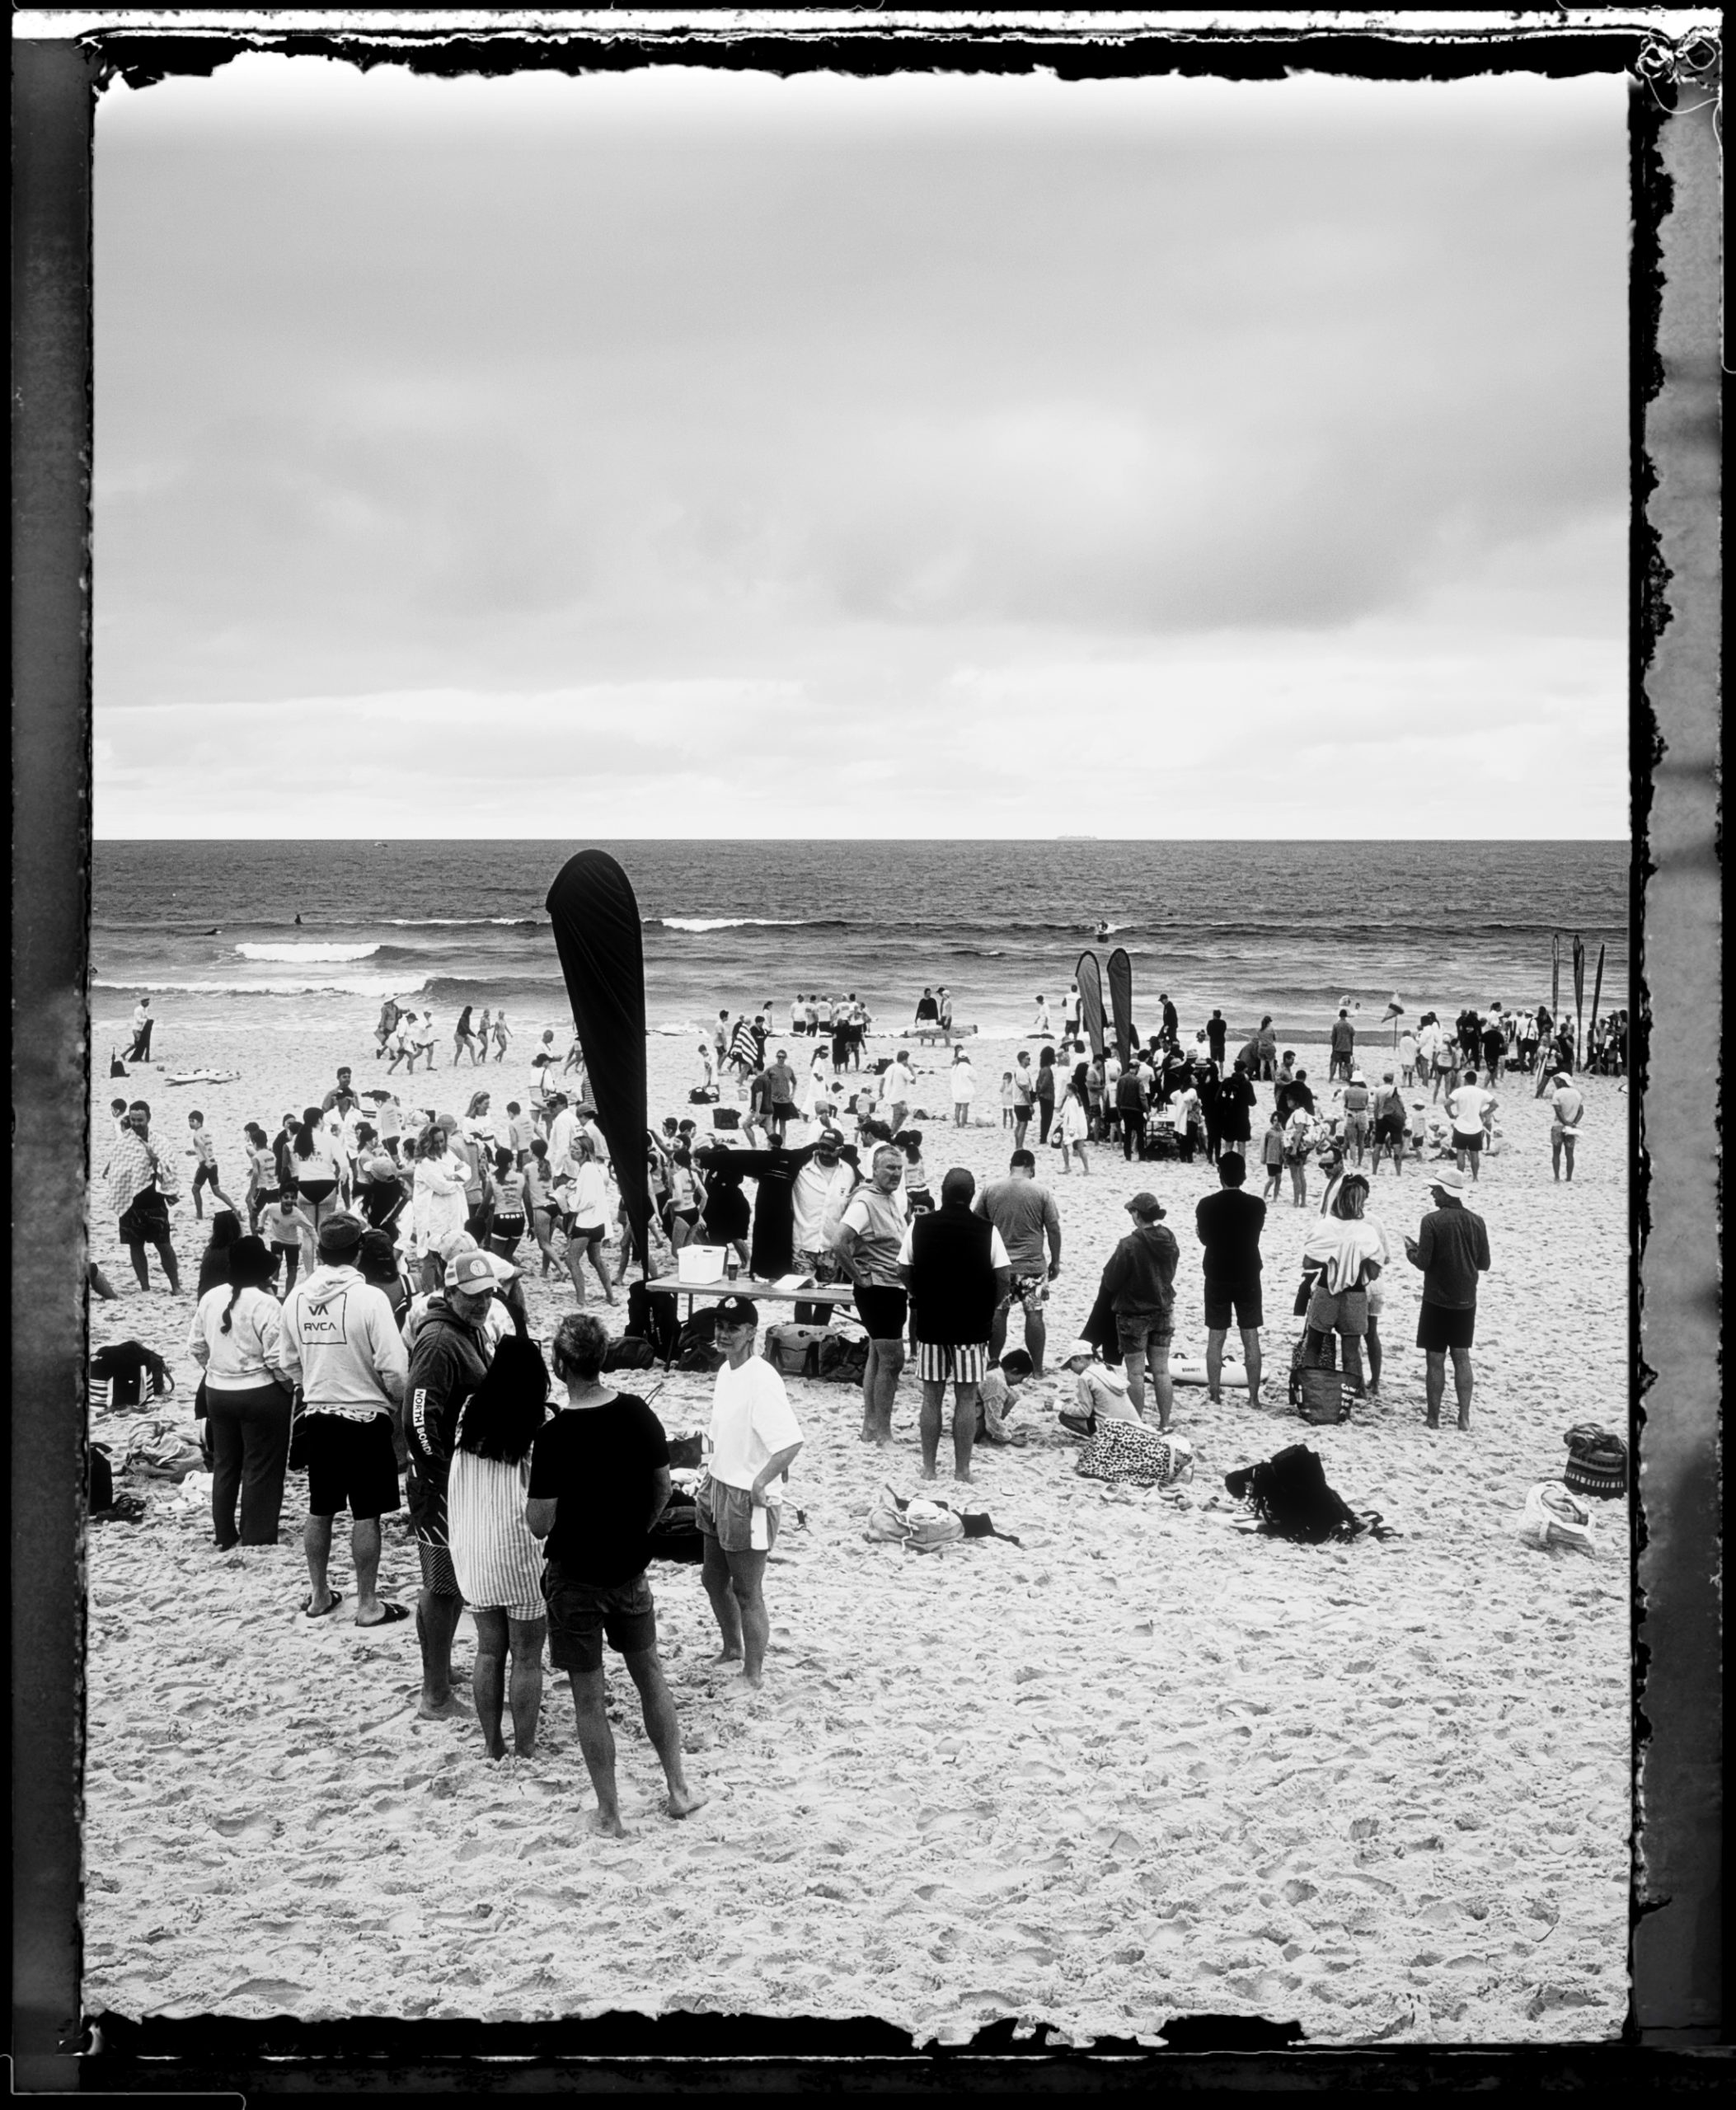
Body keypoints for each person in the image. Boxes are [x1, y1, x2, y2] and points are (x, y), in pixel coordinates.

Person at [525, 1312, 706, 1831]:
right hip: (628, 1568)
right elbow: (662, 1488)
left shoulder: (554, 1435)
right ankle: (677, 1788)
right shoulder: (636, 1413)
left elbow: (539, 1524)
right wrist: (637, 1532)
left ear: (560, 1365)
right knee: (650, 1677)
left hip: (575, 1575)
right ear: (602, 1358)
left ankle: (609, 1812)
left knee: (589, 1698)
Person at [278, 1212, 411, 1626]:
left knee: (320, 1508)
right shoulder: (369, 1298)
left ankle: (320, 1595)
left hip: (319, 1412)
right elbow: (395, 1368)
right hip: (365, 1413)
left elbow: (287, 1362)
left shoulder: (296, 1298)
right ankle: (367, 1603)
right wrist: (393, 1399)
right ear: (358, 1252)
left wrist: (315, 1381)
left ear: (320, 1251)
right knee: (366, 1513)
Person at [404, 1247, 503, 1721]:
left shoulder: (468, 1329)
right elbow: (418, 1418)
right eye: (472, 1295)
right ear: (449, 1292)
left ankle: (440, 1670)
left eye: (487, 1294)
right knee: (442, 1585)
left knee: (450, 1582)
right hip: (439, 1482)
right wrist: (443, 1475)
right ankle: (435, 1695)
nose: (482, 1303)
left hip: (452, 1478)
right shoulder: (441, 1341)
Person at [695, 1295, 805, 1686]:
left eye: (733, 1328)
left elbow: (790, 1442)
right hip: (718, 1484)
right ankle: (732, 1647)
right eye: (720, 1326)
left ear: (750, 1333)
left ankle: (753, 1673)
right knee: (712, 1579)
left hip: (747, 1496)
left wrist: (762, 1481)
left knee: (747, 1590)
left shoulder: (762, 1378)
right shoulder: (726, 1371)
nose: (723, 1334)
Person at [898, 1167, 1012, 1483]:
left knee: (931, 1396)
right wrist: (989, 1306)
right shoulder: (987, 1230)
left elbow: (903, 1269)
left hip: (932, 1322)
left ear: (943, 1193)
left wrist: (918, 1293)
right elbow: (1004, 1277)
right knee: (964, 1398)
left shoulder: (920, 1226)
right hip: (971, 1327)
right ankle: (962, 1470)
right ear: (972, 1194)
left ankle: (929, 1468)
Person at [186, 1234, 293, 1550]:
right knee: (262, 1466)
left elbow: (196, 1346)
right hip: (261, 1392)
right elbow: (276, 1359)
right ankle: (256, 1536)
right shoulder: (266, 1303)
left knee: (225, 1464)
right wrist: (288, 1388)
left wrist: (216, 1369)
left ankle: (224, 1533)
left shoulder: (211, 1297)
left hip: (218, 1392)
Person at [832, 1142, 910, 1446]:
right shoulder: (865, 1202)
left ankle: (870, 1427)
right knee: (893, 1361)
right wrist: (858, 1277)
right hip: (878, 1289)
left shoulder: (888, 1198)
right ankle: (884, 1434)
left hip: (892, 1287)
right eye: (889, 1167)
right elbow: (839, 1242)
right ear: (874, 1170)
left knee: (878, 1358)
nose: (896, 1173)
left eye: (899, 1168)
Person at [1403, 1166, 1490, 1431]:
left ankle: (1433, 1418)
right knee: (1462, 1356)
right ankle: (1464, 1418)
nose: (1432, 1194)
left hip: (1437, 1298)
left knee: (1435, 1359)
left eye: (1435, 1190)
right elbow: (1484, 1263)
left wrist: (1411, 1252)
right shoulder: (1477, 1221)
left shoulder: (1431, 1221)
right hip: (1466, 1299)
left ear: (1445, 1192)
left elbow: (1423, 1262)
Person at [974, 1148, 1063, 1375]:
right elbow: (1053, 1229)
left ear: (1010, 1166)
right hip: (1032, 1266)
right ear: (1031, 1167)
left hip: (1000, 1265)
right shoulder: (1041, 1192)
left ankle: (993, 1363)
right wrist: (1055, 1261)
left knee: (999, 1312)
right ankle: (1038, 1369)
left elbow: (977, 1223)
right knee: (1034, 1312)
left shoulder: (991, 1189)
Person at [1297, 1170, 1384, 1399]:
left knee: (1313, 1346)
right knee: (1351, 1353)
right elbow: (1374, 1272)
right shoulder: (1366, 1231)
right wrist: (1354, 1261)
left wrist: (1333, 1259)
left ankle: (1309, 1393)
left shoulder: (1326, 1226)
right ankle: (1350, 1400)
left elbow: (1308, 1262)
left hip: (1326, 1290)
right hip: (1355, 1295)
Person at [1101, 1191, 1179, 1431]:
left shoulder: (1129, 1244)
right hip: (1163, 1308)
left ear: (1137, 1214)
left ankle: (1137, 1425)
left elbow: (1111, 1280)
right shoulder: (1169, 1239)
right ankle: (1165, 1423)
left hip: (1134, 1313)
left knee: (1135, 1374)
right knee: (1162, 1371)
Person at [1194, 1152, 1264, 1409]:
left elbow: (1205, 1239)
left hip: (1217, 1272)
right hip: (1247, 1272)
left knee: (1216, 1336)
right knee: (1250, 1335)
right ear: (1243, 1175)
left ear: (1220, 1174)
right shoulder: (1257, 1205)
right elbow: (1254, 1235)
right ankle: (1254, 1398)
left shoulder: (1206, 1205)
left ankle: (1214, 1394)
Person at [103, 1104, 181, 1294]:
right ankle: (145, 1288)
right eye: (133, 1120)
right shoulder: (123, 1143)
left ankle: (176, 1285)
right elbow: (117, 1171)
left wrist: (155, 1161)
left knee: (164, 1245)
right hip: (131, 1202)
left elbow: (170, 1167)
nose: (136, 1124)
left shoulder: (160, 1141)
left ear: (148, 1118)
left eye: (140, 1120)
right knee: (136, 1246)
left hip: (155, 1201)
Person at [411, 1123, 472, 1292]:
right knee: (431, 1256)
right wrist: (457, 1179)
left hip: (452, 1212)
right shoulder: (425, 1163)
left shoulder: (447, 1154)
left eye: (441, 1141)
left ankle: (447, 1288)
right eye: (435, 1142)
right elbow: (441, 1186)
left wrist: (452, 1177)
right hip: (434, 1215)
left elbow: (466, 1170)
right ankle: (428, 1292)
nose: (439, 1145)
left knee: (451, 1253)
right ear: (428, 1142)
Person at [1058, 1339, 1138, 1436]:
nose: (1071, 1369)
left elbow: (1084, 1411)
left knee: (1064, 1417)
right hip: (1134, 1428)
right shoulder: (1105, 1368)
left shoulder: (1085, 1377)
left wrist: (1060, 1406)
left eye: (1070, 1365)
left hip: (1113, 1430)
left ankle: (1100, 1439)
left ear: (1079, 1358)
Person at [185, 1109, 238, 1222]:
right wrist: (194, 1152)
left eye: (192, 1121)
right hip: (213, 1164)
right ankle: (235, 1209)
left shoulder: (197, 1134)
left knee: (195, 1190)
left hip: (205, 1165)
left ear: (199, 1122)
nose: (190, 1123)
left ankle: (199, 1216)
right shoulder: (206, 1132)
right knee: (217, 1191)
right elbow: (206, 1148)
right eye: (189, 1121)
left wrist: (207, 1161)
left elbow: (202, 1146)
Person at [974, 1347, 1033, 1447]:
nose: (1020, 1382)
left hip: (973, 1416)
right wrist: (1008, 1437)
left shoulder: (995, 1372)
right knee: (1011, 1397)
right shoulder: (997, 1382)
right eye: (1022, 1378)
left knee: (1012, 1396)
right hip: (972, 1424)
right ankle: (983, 1435)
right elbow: (992, 1420)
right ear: (1014, 1371)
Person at [1446, 1068, 1494, 1181]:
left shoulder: (1459, 1091)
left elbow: (1446, 1104)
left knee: (1460, 1153)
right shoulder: (1481, 1092)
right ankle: (1475, 1177)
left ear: (1466, 1080)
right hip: (1476, 1126)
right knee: (1475, 1154)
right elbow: (1495, 1104)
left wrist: (1451, 1115)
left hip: (1461, 1126)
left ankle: (1460, 1178)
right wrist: (1485, 1113)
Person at [195, 1208, 246, 1299]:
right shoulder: (240, 1251)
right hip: (229, 1298)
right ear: (237, 1228)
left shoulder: (210, 1250)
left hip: (206, 1298)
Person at [1370, 1069, 1409, 1178]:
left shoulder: (1378, 1090)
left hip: (1381, 1118)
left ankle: (1374, 1171)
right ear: (1392, 1080)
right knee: (1396, 1147)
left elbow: (1376, 1106)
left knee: (1378, 1146)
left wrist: (1376, 1120)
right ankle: (1398, 1172)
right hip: (1394, 1119)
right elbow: (1402, 1104)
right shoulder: (1396, 1089)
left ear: (1384, 1079)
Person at [1548, 1071, 1586, 1181]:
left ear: (1562, 1082)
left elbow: (1558, 1111)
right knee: (1570, 1154)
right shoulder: (1577, 1094)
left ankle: (1557, 1177)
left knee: (1556, 1153)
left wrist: (1565, 1122)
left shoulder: (1558, 1093)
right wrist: (1573, 1123)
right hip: (1571, 1128)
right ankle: (1569, 1177)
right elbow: (1581, 1112)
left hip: (1558, 1126)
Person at [1056, 1075, 1092, 1175]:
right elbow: (1065, 1111)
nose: (1066, 1091)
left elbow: (1073, 1117)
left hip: (1074, 1128)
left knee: (1064, 1145)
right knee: (1080, 1148)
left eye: (1067, 1089)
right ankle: (1086, 1169)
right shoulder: (1074, 1099)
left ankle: (1067, 1167)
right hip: (1081, 1127)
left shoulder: (1072, 1101)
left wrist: (1072, 1131)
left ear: (1071, 1091)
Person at [1114, 1057, 1146, 1161]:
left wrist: (1119, 1110)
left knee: (1127, 1132)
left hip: (1124, 1108)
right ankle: (1141, 1155)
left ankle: (1128, 1156)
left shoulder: (1121, 1079)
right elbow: (1142, 1097)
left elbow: (1118, 1097)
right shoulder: (1138, 1080)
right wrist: (1147, 1109)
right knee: (1140, 1133)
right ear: (1136, 1068)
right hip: (1136, 1109)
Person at [879, 1048, 916, 1137]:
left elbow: (882, 1079)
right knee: (897, 1117)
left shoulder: (891, 1066)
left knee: (903, 1114)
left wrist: (881, 1092)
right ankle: (891, 1134)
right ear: (905, 1060)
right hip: (898, 1098)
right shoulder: (903, 1069)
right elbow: (914, 1081)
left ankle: (892, 1133)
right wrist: (912, 1069)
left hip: (890, 1096)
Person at [1340, 1071, 1372, 1167]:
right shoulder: (1365, 1091)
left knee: (1352, 1141)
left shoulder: (1347, 1091)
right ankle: (1360, 1162)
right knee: (1361, 1141)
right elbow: (1366, 1104)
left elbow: (1345, 1104)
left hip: (1351, 1113)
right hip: (1362, 1113)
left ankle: (1354, 1161)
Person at [1011, 1052, 1037, 1151]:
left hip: (1017, 1102)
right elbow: (1026, 1091)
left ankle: (1017, 1145)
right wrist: (1030, 1105)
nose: (1029, 1060)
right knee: (1023, 1125)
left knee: (1019, 1124)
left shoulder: (1019, 1071)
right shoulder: (1022, 1072)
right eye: (1027, 1058)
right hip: (1022, 1103)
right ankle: (1020, 1146)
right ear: (1022, 1059)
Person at [1260, 1108, 1287, 1202]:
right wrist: (1263, 1158)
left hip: (1279, 1160)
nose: (1277, 1123)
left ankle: (1275, 1198)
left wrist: (1285, 1159)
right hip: (1270, 1159)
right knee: (1271, 1180)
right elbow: (1264, 1146)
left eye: (1279, 1121)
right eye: (1275, 1120)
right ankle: (1264, 1195)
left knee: (1279, 1179)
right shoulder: (1269, 1132)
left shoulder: (1283, 1133)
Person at [950, 1048, 976, 1128]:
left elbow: (951, 1077)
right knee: (965, 1107)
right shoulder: (968, 1067)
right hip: (966, 1090)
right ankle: (963, 1124)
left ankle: (958, 1124)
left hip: (956, 1090)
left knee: (957, 1107)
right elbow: (974, 1078)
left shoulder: (955, 1067)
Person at [1328, 1008, 1356, 1084]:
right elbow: (1353, 1034)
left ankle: (1331, 1078)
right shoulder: (1349, 1026)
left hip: (1338, 1048)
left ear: (1340, 1016)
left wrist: (1333, 1048)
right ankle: (1351, 1080)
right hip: (1347, 1048)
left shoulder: (1336, 1025)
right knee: (1348, 1065)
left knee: (1334, 1063)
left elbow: (1333, 1037)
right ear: (1346, 1016)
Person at [126, 996, 154, 1063]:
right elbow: (138, 1020)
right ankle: (136, 1057)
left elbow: (146, 1017)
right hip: (137, 1029)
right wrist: (146, 1021)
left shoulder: (145, 1009)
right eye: (147, 1002)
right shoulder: (138, 1010)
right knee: (139, 1044)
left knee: (138, 1044)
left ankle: (125, 1054)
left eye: (148, 1002)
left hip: (142, 1030)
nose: (148, 1003)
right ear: (142, 1002)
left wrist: (149, 1019)